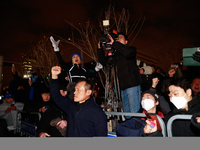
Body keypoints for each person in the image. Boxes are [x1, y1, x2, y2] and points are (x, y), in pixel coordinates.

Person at [50, 66, 107, 137]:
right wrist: (54, 76)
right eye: (75, 89)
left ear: (88, 92)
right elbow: (56, 96)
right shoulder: (71, 106)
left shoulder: (97, 113)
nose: (74, 92)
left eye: (78, 90)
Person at [97, 32, 142, 119]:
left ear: (126, 41)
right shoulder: (115, 55)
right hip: (122, 88)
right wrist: (99, 48)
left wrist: (114, 43)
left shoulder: (131, 49)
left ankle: (136, 131)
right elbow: (103, 61)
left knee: (135, 112)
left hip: (132, 85)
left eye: (120, 38)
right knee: (127, 114)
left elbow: (128, 53)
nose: (117, 40)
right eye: (116, 39)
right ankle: (129, 131)